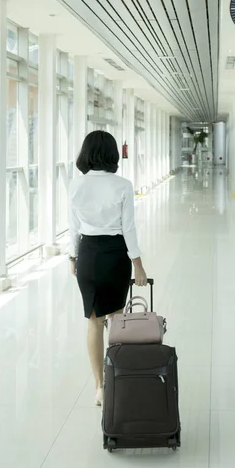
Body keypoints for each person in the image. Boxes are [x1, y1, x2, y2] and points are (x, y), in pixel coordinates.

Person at [68, 130, 147, 406]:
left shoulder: (76, 185)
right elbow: (129, 229)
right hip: (115, 256)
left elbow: (73, 228)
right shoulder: (123, 185)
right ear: (113, 154)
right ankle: (115, 377)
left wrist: (72, 258)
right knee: (115, 320)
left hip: (88, 254)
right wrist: (138, 266)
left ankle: (99, 387)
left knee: (94, 321)